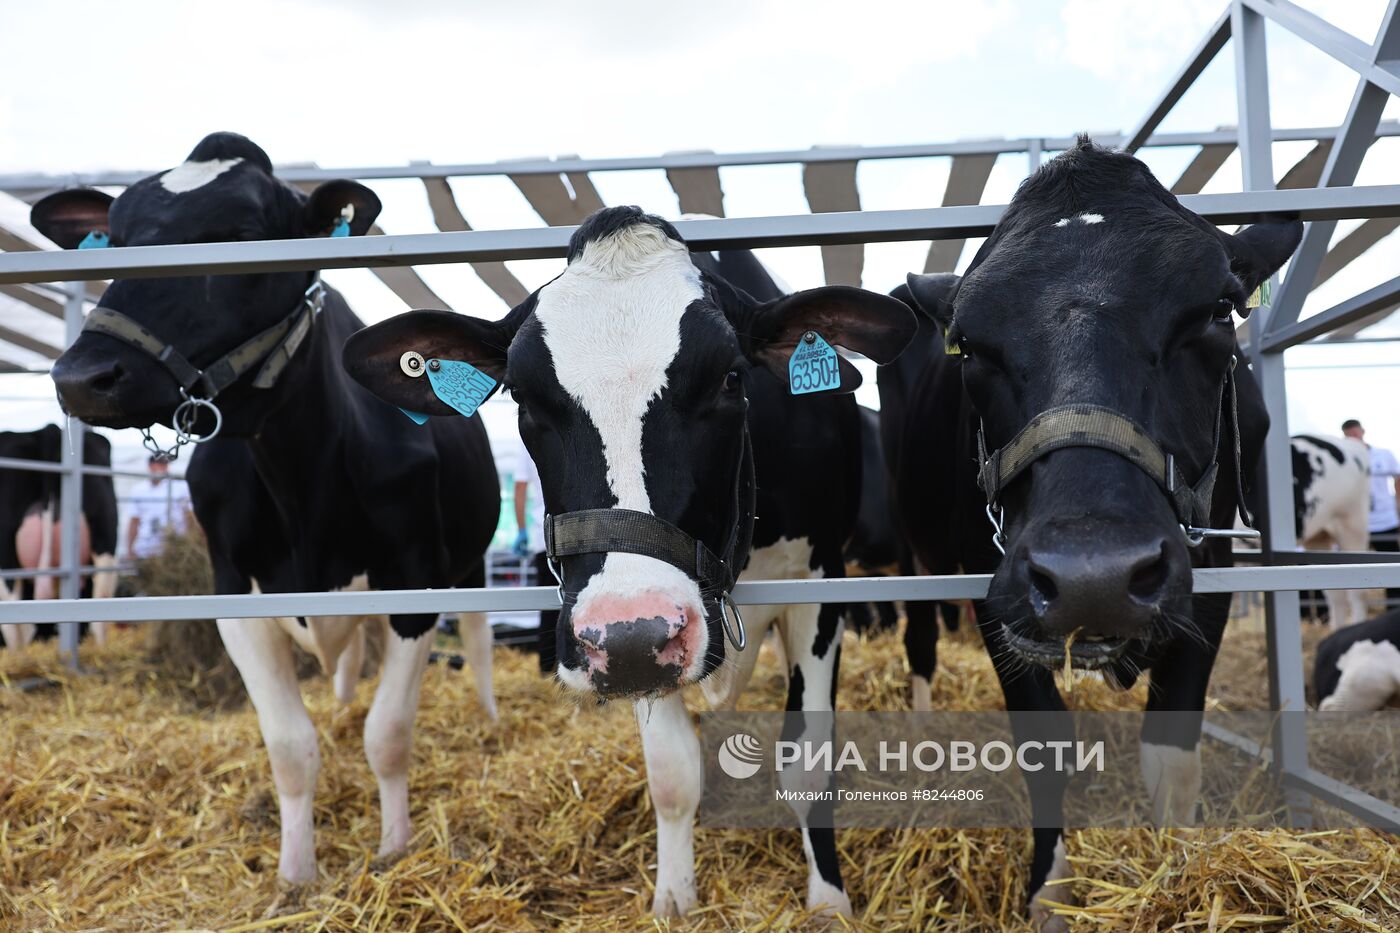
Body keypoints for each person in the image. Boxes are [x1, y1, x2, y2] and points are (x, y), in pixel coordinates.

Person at [512, 434, 557, 672]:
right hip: (578, 533)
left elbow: (520, 487)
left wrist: (521, 529)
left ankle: (548, 669)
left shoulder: (527, 435)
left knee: (549, 606)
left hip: (545, 534)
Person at [1343, 419, 1400, 603]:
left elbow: (1397, 478)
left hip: (1385, 521)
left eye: (1356, 433)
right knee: (1355, 568)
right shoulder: (1343, 458)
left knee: (1392, 566)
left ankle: (1394, 607)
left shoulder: (1383, 455)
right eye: (1349, 435)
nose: (1354, 438)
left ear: (1363, 432)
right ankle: (1359, 607)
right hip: (1357, 524)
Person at [126, 455, 192, 560]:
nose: (163, 468)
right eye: (159, 464)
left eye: (165, 465)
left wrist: (191, 543)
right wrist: (129, 549)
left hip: (175, 547)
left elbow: (190, 516)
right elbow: (134, 520)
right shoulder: (138, 490)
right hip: (146, 548)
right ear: (150, 466)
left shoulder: (181, 487)